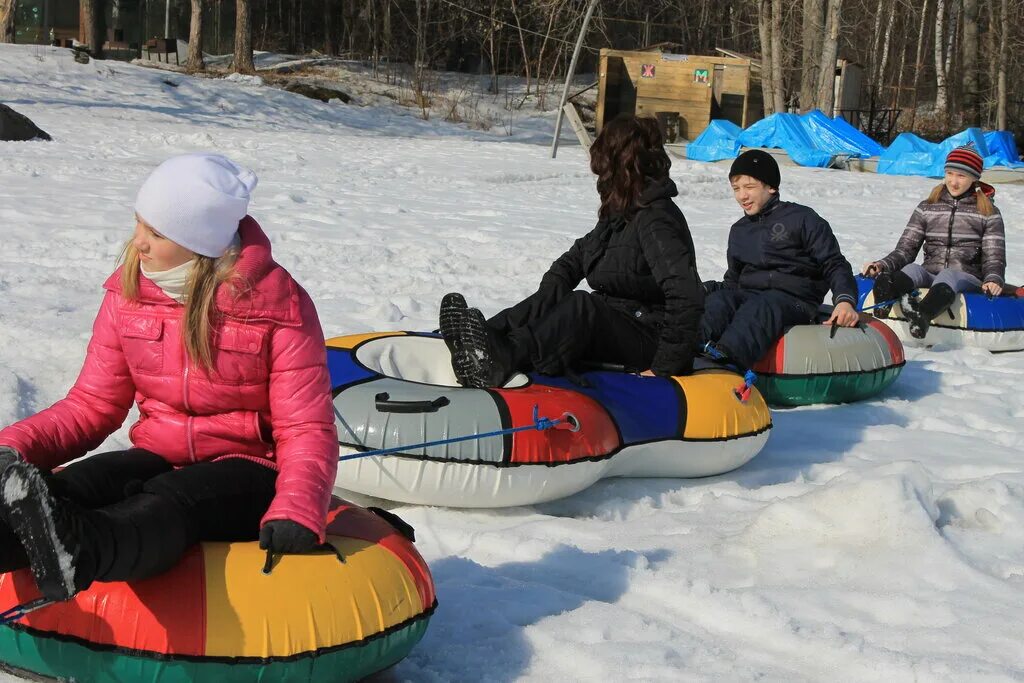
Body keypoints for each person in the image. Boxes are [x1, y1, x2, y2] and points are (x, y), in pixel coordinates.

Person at [0, 153, 338, 603]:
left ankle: (79, 553)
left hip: (249, 469)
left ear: (198, 243)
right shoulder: (128, 295)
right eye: (139, 224)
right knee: (79, 484)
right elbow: (92, 404)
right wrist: (13, 449)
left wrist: (298, 506)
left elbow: (305, 426)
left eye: (156, 233)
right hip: (159, 451)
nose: (138, 242)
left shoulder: (278, 308)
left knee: (168, 499)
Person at [438, 115, 704, 388]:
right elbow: (576, 259)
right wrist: (546, 296)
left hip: (652, 339)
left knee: (583, 306)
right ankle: (486, 334)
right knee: (556, 295)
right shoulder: (622, 213)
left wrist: (664, 366)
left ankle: (503, 357)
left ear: (622, 166)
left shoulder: (656, 219)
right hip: (622, 324)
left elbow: (687, 296)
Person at [700, 150, 860, 370]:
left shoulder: (802, 219)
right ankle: (690, 354)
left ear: (771, 187)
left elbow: (834, 263)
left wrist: (845, 300)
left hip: (795, 300)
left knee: (762, 305)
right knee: (719, 302)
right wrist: (710, 291)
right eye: (736, 189)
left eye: (749, 187)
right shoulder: (739, 230)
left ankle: (726, 365)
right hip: (751, 296)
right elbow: (733, 281)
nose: (742, 196)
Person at [863, 143, 1006, 338]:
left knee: (948, 274)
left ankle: (923, 315)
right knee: (911, 270)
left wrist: (993, 279)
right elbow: (906, 249)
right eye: (950, 174)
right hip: (931, 272)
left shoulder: (988, 213)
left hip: (966, 276)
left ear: (974, 178)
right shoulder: (928, 207)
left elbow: (994, 256)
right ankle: (888, 295)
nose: (953, 181)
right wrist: (882, 265)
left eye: (961, 176)